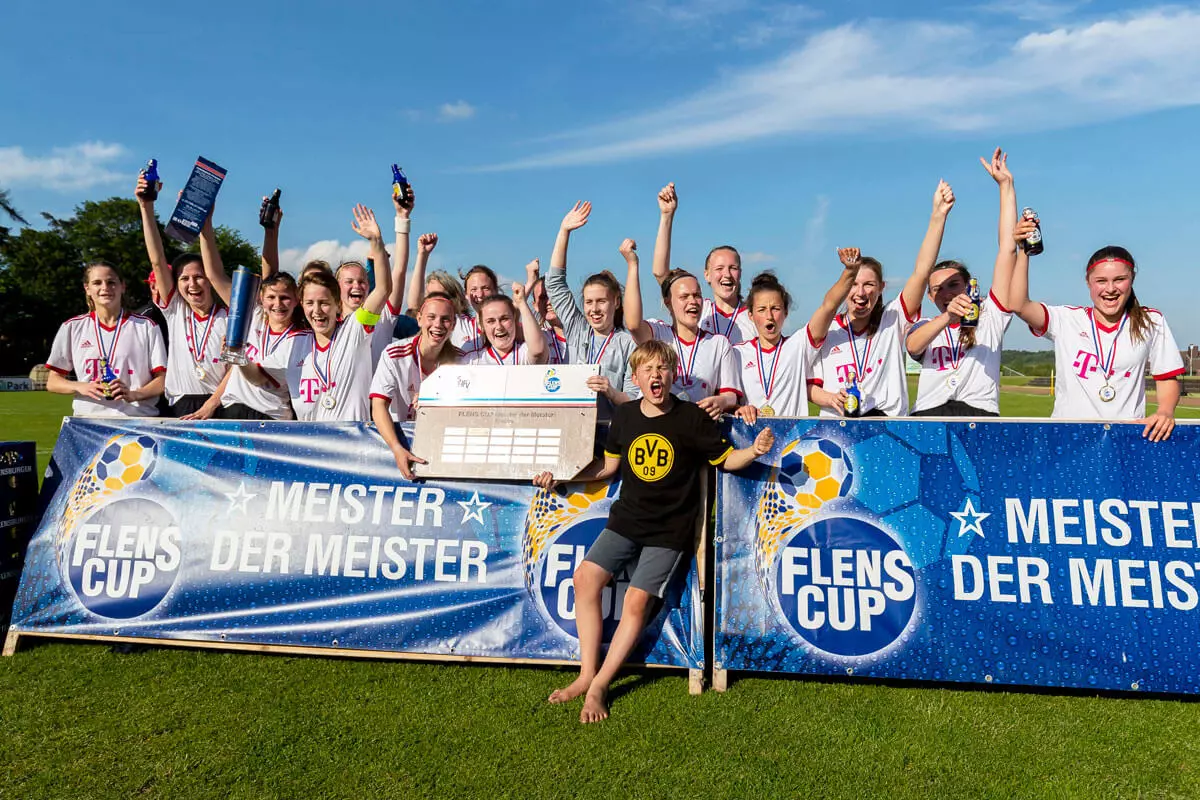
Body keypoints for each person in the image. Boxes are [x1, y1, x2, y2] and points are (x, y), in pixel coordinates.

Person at [532, 339, 773, 723]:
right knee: (584, 579)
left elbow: (727, 461)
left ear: (673, 374)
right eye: (648, 370)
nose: (656, 376)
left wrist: (755, 452)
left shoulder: (691, 418)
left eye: (662, 368)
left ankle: (599, 686)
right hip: (626, 520)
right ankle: (585, 675)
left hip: (669, 530)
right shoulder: (625, 417)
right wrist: (559, 476)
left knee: (635, 603)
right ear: (636, 378)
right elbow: (606, 469)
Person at [1009, 223, 1183, 441]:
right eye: (1101, 281)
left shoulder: (1151, 321)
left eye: (1119, 279)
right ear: (1088, 283)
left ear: (1132, 280)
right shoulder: (1066, 319)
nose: (1110, 289)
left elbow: (1167, 377)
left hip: (1124, 439)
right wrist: (1024, 251)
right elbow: (1018, 304)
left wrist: (1165, 412)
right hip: (1067, 438)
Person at [808, 180, 955, 417]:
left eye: (869, 285)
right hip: (840, 429)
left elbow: (921, 272)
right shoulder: (827, 330)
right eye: (854, 284)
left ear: (881, 288)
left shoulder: (892, 319)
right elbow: (809, 386)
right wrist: (830, 398)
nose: (861, 292)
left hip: (888, 427)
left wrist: (938, 216)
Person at [908, 149, 1018, 417]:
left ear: (969, 286)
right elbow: (912, 346)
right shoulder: (927, 325)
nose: (946, 293)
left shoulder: (990, 315)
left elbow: (1007, 250)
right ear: (931, 298)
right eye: (938, 289)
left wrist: (1006, 186)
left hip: (977, 417)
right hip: (929, 417)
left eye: (954, 284)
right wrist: (948, 317)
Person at [257, 205, 392, 421]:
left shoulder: (355, 329)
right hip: (311, 444)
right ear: (302, 304)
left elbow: (384, 289)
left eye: (324, 303)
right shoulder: (295, 343)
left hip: (353, 439)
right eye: (310, 303)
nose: (317, 311)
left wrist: (376, 241)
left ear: (338, 304)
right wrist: (238, 359)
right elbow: (257, 377)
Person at [197, 195, 305, 420]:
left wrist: (237, 355)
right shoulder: (252, 315)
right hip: (233, 410)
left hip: (268, 419)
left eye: (285, 298)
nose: (277, 304)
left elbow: (258, 378)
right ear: (262, 298)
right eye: (271, 297)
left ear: (297, 299)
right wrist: (205, 225)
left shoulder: (299, 338)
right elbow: (215, 276)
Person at [137, 175, 229, 417]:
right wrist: (146, 207)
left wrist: (211, 405)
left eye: (199, 277)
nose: (192, 284)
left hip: (219, 406)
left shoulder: (228, 317)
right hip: (180, 404)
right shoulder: (176, 309)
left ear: (210, 280)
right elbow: (157, 260)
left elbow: (235, 370)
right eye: (184, 279)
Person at [625, 241, 743, 421]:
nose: (693, 301)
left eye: (697, 295)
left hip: (696, 430)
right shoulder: (659, 334)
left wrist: (721, 401)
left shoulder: (718, 343)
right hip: (658, 426)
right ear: (668, 303)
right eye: (684, 297)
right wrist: (633, 266)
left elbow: (731, 394)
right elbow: (633, 324)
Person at [731, 263, 857, 421]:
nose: (769, 316)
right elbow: (727, 401)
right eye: (761, 309)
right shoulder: (737, 353)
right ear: (750, 315)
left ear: (785, 312)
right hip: (753, 441)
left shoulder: (798, 345)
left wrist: (850, 271)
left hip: (794, 441)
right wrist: (740, 408)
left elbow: (828, 307)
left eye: (775, 308)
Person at [544, 201, 637, 406]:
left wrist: (610, 392)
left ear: (616, 302)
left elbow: (633, 400)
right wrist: (564, 231)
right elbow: (554, 283)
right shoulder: (578, 329)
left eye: (601, 301)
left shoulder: (628, 343)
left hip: (610, 431)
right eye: (588, 302)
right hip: (574, 424)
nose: (594, 309)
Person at [45, 262, 166, 416]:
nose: (105, 288)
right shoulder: (72, 327)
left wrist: (135, 394)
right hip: (89, 422)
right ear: (87, 289)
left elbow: (163, 380)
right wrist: (81, 386)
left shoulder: (146, 326)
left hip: (136, 420)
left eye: (111, 282)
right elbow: (53, 381)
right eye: (97, 283)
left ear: (122, 287)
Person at [650, 182, 756, 343]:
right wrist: (667, 216)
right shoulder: (699, 309)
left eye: (733, 268)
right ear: (706, 274)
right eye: (719, 268)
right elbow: (660, 273)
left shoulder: (755, 316)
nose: (726, 274)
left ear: (740, 272)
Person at [369, 292, 461, 478]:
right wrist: (396, 447)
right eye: (431, 317)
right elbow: (378, 406)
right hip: (400, 440)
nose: (437, 325)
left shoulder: (461, 361)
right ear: (419, 319)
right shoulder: (394, 354)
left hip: (441, 444)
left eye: (445, 319)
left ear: (453, 325)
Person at [405, 233, 485, 352]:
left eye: (439, 296)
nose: (433, 302)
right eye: (429, 296)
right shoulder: (427, 325)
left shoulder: (467, 325)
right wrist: (422, 255)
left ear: (455, 298)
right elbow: (414, 305)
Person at [462, 285, 547, 366]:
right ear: (482, 326)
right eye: (491, 321)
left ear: (514, 319)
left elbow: (538, 351)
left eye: (504, 319)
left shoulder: (524, 353)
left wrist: (521, 302)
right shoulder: (471, 361)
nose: (499, 327)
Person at [526, 258, 569, 366]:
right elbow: (509, 318)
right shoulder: (539, 338)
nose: (549, 302)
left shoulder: (581, 332)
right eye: (543, 297)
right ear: (535, 306)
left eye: (553, 296)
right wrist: (530, 282)